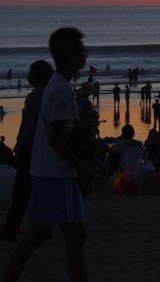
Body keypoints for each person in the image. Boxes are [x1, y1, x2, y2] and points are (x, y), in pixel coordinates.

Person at [3, 28, 92, 282]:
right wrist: (82, 167)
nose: (85, 56)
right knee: (40, 234)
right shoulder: (61, 90)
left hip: (56, 173)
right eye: (82, 50)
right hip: (55, 175)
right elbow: (57, 140)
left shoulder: (58, 87)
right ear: (68, 55)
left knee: (73, 236)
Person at [1, 60, 53, 241]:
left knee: (21, 193)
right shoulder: (49, 94)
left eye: (32, 72)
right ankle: (44, 228)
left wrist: (22, 145)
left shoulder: (35, 96)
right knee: (40, 192)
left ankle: (10, 230)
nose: (29, 76)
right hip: (43, 151)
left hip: (30, 150)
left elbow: (29, 126)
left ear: (39, 75)